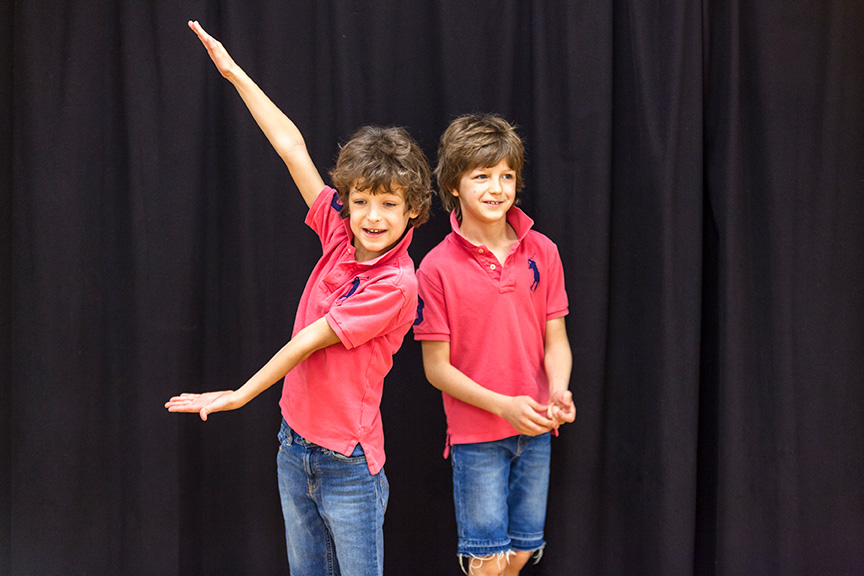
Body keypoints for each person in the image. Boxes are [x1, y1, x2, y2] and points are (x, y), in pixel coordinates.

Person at [165, 21, 432, 576]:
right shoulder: (339, 234)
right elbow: (293, 149)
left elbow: (309, 341)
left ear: (412, 210)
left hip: (347, 465)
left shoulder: (396, 282)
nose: (372, 217)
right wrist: (235, 74)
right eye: (361, 201)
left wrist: (240, 395)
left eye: (389, 204)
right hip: (294, 447)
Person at [412, 114, 575, 576]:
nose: (497, 188)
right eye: (481, 176)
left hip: (537, 429)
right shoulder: (435, 268)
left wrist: (558, 391)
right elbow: (436, 369)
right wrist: (504, 406)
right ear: (453, 185)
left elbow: (557, 341)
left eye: (506, 175)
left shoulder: (543, 251)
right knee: (487, 562)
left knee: (522, 551)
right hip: (477, 438)